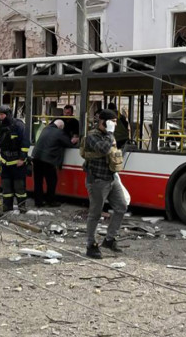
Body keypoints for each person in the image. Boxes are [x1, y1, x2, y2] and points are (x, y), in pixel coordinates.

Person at [81, 109, 127, 259]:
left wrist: (111, 133)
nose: (114, 125)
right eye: (112, 122)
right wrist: (110, 132)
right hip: (97, 180)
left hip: (112, 178)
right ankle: (91, 245)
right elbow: (104, 148)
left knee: (121, 207)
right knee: (95, 213)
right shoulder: (92, 136)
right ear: (103, 122)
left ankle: (109, 239)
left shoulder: (109, 135)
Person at [33, 119, 78, 207]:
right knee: (52, 181)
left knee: (38, 181)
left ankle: (38, 202)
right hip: (48, 160)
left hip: (36, 158)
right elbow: (69, 143)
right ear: (61, 127)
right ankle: (51, 201)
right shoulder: (59, 133)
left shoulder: (45, 129)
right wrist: (74, 140)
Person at [0, 105, 30, 213]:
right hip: (5, 161)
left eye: (2, 114)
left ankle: (21, 206)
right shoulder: (0, 128)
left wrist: (22, 158)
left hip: (17, 161)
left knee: (19, 186)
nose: (0, 117)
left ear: (8, 114)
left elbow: (25, 143)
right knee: (6, 186)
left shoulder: (19, 125)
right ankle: (7, 205)